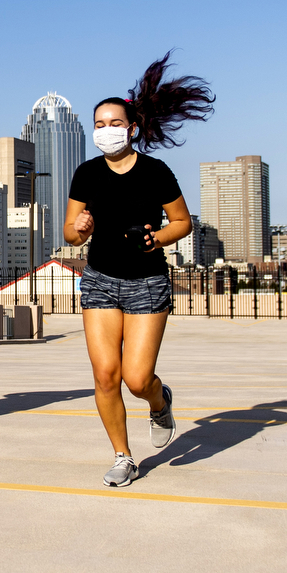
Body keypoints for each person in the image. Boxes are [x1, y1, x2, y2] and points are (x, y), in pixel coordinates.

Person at [63, 52, 214, 486]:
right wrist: (82, 228)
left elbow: (183, 222)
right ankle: (123, 455)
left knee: (136, 378)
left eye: (114, 123)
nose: (105, 131)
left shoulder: (155, 171)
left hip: (147, 282)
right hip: (100, 281)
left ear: (131, 128)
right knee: (106, 375)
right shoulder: (86, 174)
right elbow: (72, 234)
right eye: (99, 124)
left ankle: (159, 401)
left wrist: (158, 238)